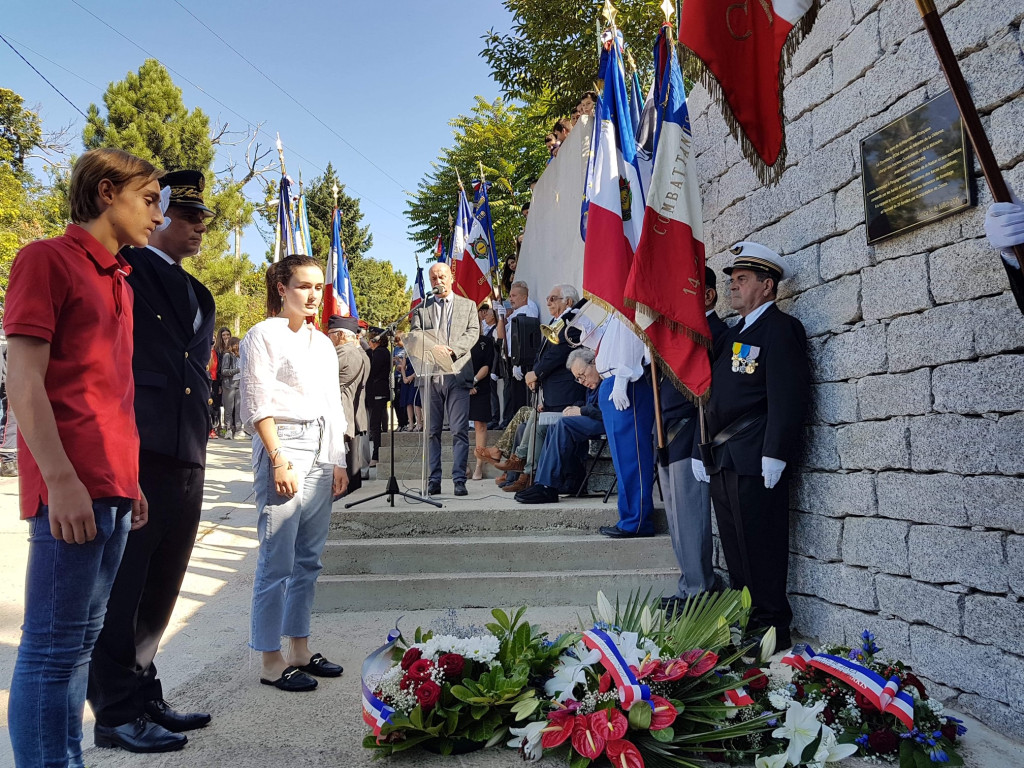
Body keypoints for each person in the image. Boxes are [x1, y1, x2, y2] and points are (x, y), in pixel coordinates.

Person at [5, 147, 160, 768]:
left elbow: (111, 394)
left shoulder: (118, 277)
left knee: (80, 642)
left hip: (115, 486)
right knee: (48, 647)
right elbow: (25, 382)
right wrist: (61, 480)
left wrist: (133, 479)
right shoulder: (47, 260)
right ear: (105, 192)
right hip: (71, 489)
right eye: (149, 200)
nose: (157, 214)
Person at [87, 169, 217, 754]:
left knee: (163, 583)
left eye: (201, 220)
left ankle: (145, 692)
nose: (197, 228)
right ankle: (115, 712)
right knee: (126, 586)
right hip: (139, 444)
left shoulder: (198, 292)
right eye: (186, 217)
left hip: (187, 448)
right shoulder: (127, 272)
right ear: (159, 214)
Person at [692, 243, 810, 650]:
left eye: (742, 280)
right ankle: (747, 620)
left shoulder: (780, 329)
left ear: (768, 286)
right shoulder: (732, 334)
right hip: (723, 456)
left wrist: (776, 451)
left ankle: (772, 627)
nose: (732, 287)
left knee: (762, 544)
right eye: (731, 280)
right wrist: (697, 447)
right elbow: (709, 396)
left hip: (756, 456)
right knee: (736, 547)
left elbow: (787, 396)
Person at [240, 254, 349, 693]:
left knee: (309, 557)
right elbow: (257, 400)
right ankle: (270, 659)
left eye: (318, 287)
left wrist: (339, 459)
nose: (312, 295)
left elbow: (332, 405)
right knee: (276, 558)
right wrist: (278, 457)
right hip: (284, 443)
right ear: (281, 288)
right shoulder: (261, 335)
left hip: (322, 447)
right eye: (303, 286)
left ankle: (300, 648)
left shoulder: (322, 343)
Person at [657, 268, 728, 612]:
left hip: (692, 431)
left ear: (709, 296)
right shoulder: (679, 334)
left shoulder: (716, 333)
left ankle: (700, 589)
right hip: (668, 433)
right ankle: (688, 584)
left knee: (691, 517)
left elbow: (712, 395)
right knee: (676, 520)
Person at [409, 262, 480, 497]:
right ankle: (434, 480)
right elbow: (416, 334)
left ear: (451, 277)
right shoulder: (422, 308)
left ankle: (459, 479)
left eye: (441, 277)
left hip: (457, 374)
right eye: (433, 278)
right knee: (432, 431)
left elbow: (473, 332)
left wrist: (451, 350)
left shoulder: (468, 305)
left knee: (459, 430)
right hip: (430, 375)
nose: (437, 281)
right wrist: (432, 347)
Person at [515, 347, 606, 504]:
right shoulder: (592, 384)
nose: (583, 381)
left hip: (606, 422)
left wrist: (581, 410)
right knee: (554, 425)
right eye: (578, 378)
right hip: (595, 420)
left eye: (582, 375)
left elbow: (605, 410)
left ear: (594, 363)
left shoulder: (606, 378)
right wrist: (574, 407)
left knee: (564, 424)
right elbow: (588, 403)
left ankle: (547, 485)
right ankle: (542, 483)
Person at [596, 317, 656, 539]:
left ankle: (636, 520)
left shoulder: (628, 306)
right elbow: (606, 347)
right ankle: (629, 516)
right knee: (622, 458)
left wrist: (622, 379)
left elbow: (634, 341)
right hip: (610, 380)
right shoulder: (613, 313)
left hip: (626, 382)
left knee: (632, 456)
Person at [327, 314, 369, 496]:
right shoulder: (361, 353)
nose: (329, 339)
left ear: (341, 336)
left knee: (340, 460)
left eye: (331, 334)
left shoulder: (344, 352)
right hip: (352, 408)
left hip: (340, 407)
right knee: (350, 459)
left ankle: (340, 492)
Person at [468, 320, 495, 480]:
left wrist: (473, 381)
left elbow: (487, 365)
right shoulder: (459, 341)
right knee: (459, 427)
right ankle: (462, 466)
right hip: (462, 388)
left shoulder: (486, 341)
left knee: (480, 425)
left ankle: (479, 465)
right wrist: (465, 384)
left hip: (480, 387)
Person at [364, 328, 392, 468]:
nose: (369, 341)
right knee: (375, 423)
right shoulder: (372, 353)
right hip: (372, 391)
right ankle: (376, 452)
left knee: (376, 424)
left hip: (378, 390)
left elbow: (372, 370)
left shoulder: (381, 353)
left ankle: (376, 454)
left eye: (371, 339)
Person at [210, 327, 230, 437]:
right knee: (211, 404)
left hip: (219, 381)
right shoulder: (217, 350)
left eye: (228, 335)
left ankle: (219, 427)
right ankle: (211, 428)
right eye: (223, 335)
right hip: (210, 380)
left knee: (218, 405)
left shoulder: (231, 348)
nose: (226, 337)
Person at [221, 337, 243, 438]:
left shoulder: (240, 355)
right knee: (229, 409)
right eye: (237, 344)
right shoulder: (227, 355)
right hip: (229, 385)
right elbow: (224, 371)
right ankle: (227, 430)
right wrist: (236, 370)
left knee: (239, 408)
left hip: (239, 383)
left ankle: (238, 430)